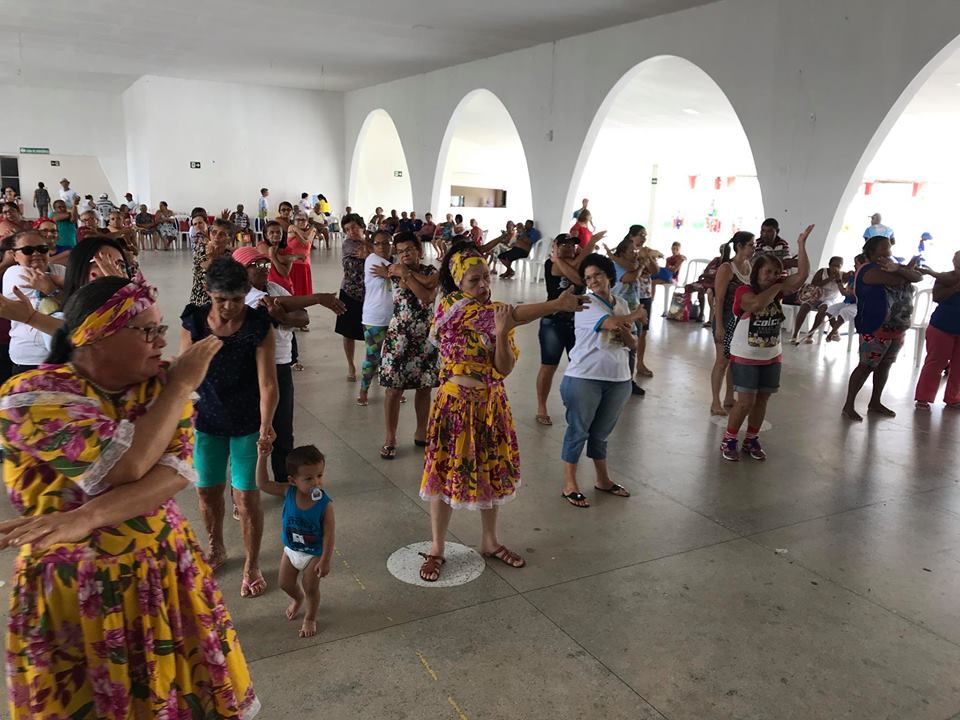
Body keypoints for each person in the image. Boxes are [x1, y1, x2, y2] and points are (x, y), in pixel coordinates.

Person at [0, 275, 262, 719]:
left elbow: (174, 474)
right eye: (146, 331)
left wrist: (88, 516)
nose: (160, 341)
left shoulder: (157, 387)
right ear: (94, 338)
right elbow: (125, 466)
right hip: (77, 588)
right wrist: (179, 387)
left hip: (160, 572)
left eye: (160, 329)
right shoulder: (31, 398)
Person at [417, 243, 588, 582]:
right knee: (444, 475)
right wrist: (556, 304)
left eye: (486, 277)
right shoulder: (453, 306)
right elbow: (516, 313)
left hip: (491, 406)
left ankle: (490, 541)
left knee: (491, 473)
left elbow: (504, 367)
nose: (483, 285)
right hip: (454, 407)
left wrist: (502, 332)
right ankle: (436, 547)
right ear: (458, 282)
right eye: (474, 280)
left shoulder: (496, 315)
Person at [180, 257, 278, 597]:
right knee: (207, 491)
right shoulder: (194, 321)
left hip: (247, 423)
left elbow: (268, 383)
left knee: (246, 497)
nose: (229, 307)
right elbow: (185, 376)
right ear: (208, 292)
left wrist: (266, 426)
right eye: (221, 299)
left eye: (237, 299)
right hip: (206, 422)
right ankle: (216, 546)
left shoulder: (257, 325)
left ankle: (252, 562)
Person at [560, 253, 648, 507]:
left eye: (597, 274)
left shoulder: (621, 302)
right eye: (588, 278)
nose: (593, 281)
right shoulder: (586, 303)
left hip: (618, 378)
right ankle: (570, 484)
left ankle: (603, 480)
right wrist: (636, 314)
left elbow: (631, 342)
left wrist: (628, 327)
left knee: (601, 433)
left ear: (609, 275)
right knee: (578, 430)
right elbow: (610, 323)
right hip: (584, 377)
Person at [723, 226, 812, 461]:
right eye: (768, 272)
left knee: (762, 399)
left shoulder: (777, 291)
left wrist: (801, 245)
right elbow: (755, 305)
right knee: (745, 402)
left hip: (771, 355)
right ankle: (729, 439)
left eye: (776, 273)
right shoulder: (743, 290)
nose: (772, 276)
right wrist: (778, 285)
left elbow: (802, 276)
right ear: (756, 272)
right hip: (745, 355)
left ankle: (751, 439)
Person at [255, 444, 334, 638]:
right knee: (284, 583)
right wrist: (262, 457)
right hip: (291, 550)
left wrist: (325, 559)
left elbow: (329, 533)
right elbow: (263, 484)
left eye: (320, 475)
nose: (316, 482)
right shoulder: (288, 492)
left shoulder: (325, 504)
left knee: (311, 587)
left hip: (314, 553)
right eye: (308, 478)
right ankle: (298, 598)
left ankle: (310, 616)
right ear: (293, 480)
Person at [842, 235, 923, 421]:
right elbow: (898, 280)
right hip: (875, 328)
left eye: (889, 248)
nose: (889, 252)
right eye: (884, 248)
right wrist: (904, 270)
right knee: (866, 366)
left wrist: (901, 269)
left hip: (897, 328)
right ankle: (848, 405)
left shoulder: (893, 267)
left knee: (885, 365)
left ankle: (875, 402)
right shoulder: (867, 270)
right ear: (872, 252)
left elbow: (918, 277)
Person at [379, 232, 439, 458]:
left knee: (424, 386)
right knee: (394, 389)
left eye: (409, 250)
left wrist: (407, 274)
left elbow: (427, 296)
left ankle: (421, 432)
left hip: (425, 337)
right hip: (399, 337)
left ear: (419, 251)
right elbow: (424, 291)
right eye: (400, 251)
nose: (404, 255)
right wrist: (403, 273)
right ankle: (390, 437)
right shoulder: (395, 270)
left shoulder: (431, 271)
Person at [535, 232, 599, 425]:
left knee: (579, 365)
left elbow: (580, 276)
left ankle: (579, 406)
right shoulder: (551, 264)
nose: (569, 248)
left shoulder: (580, 264)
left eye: (572, 245)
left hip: (578, 323)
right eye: (564, 245)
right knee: (549, 365)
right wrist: (591, 244)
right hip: (553, 322)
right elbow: (577, 278)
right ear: (555, 246)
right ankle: (541, 407)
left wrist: (588, 246)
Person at [3, 229, 66, 373]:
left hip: (64, 355)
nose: (36, 254)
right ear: (14, 255)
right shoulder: (13, 273)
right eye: (28, 250)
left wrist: (52, 289)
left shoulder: (61, 270)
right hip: (29, 358)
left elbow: (74, 301)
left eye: (42, 249)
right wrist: (62, 286)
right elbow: (72, 287)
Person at [710, 231, 755, 415]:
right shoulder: (727, 268)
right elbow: (719, 299)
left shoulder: (748, 266)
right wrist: (719, 326)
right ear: (739, 246)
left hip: (741, 320)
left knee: (734, 360)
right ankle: (715, 401)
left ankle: (729, 397)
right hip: (726, 317)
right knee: (722, 361)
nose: (753, 248)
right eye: (751, 245)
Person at [915, 251, 960, 409]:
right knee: (935, 362)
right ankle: (923, 398)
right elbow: (937, 297)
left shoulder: (943, 277)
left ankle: (953, 398)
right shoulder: (944, 277)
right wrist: (955, 289)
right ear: (953, 260)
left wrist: (931, 272)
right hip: (942, 326)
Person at [358, 231, 394, 406]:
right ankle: (363, 391)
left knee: (392, 356)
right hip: (375, 318)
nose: (382, 247)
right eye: (378, 243)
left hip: (393, 317)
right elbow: (401, 273)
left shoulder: (392, 262)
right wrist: (397, 272)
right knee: (372, 356)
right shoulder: (373, 260)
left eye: (386, 243)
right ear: (372, 246)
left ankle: (394, 390)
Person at [335, 213, 371, 382]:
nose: (351, 232)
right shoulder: (347, 245)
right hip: (349, 292)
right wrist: (372, 253)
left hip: (370, 294)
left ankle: (371, 363)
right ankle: (351, 365)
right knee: (348, 332)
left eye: (354, 227)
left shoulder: (370, 243)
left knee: (371, 332)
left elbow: (386, 255)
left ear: (362, 227)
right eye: (347, 229)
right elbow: (370, 255)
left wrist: (370, 251)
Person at [790, 256, 845, 344]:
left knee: (823, 309)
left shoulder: (843, 275)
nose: (835, 268)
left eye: (838, 266)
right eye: (833, 265)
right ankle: (795, 334)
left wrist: (838, 279)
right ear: (829, 265)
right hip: (815, 296)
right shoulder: (822, 271)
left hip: (830, 299)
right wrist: (830, 278)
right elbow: (814, 285)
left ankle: (811, 334)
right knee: (804, 307)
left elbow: (844, 289)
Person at [190, 217, 233, 306]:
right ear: (209, 234)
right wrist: (212, 259)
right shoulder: (201, 249)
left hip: (221, 303)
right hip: (200, 301)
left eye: (222, 234)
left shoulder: (230, 256)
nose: (216, 237)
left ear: (229, 239)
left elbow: (223, 282)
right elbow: (201, 274)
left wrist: (213, 259)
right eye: (214, 233)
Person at [286, 212, 316, 299]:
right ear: (294, 221)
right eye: (298, 219)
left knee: (303, 293)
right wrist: (312, 227)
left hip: (304, 265)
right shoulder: (291, 227)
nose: (301, 222)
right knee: (291, 293)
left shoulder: (313, 230)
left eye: (303, 220)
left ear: (307, 221)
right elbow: (305, 237)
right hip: (291, 265)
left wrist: (298, 234)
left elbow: (306, 241)